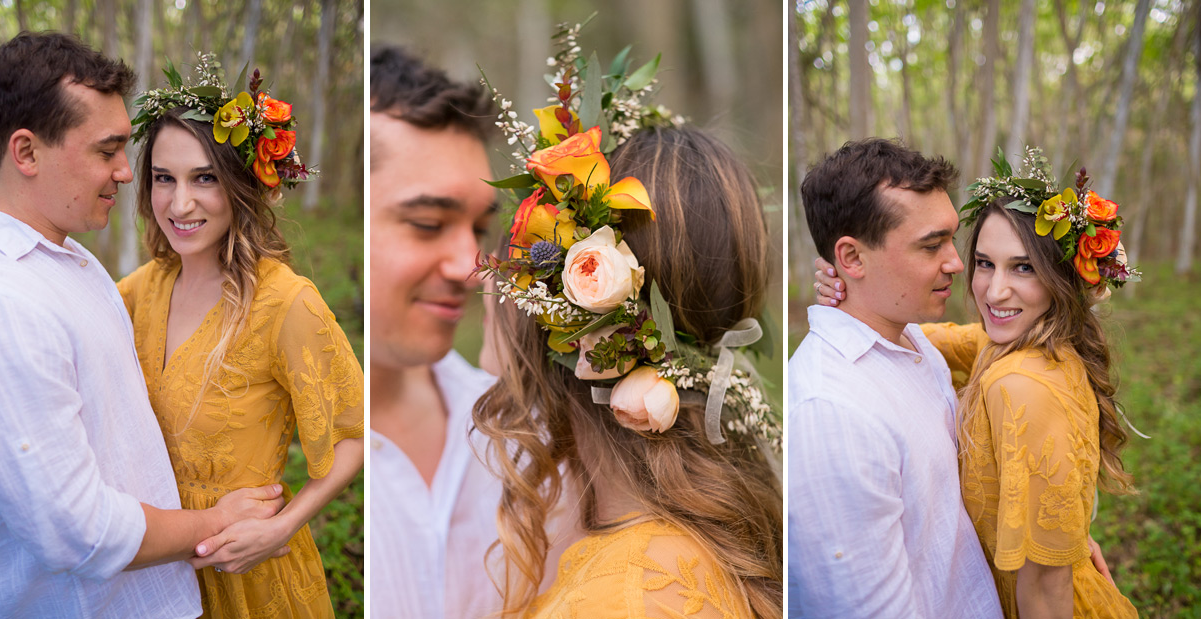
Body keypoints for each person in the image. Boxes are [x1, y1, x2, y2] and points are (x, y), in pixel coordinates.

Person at [0, 32, 284, 618]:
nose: (126, 174)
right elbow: (75, 530)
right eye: (106, 151)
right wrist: (215, 522)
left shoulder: (73, 262)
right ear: (26, 152)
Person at [472, 30, 784, 616]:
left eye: (514, 251)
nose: (485, 284)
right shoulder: (661, 538)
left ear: (569, 310)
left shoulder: (629, 595)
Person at [814, 148, 1138, 617]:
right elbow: (926, 338)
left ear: (1060, 277)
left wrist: (1063, 545)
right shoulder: (1011, 343)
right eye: (985, 262)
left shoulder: (1022, 383)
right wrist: (849, 289)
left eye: (1023, 267)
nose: (994, 290)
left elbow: (1046, 589)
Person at [117, 54, 364, 617]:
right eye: (164, 178)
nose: (180, 204)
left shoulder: (285, 303)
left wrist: (282, 526)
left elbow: (355, 432)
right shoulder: (136, 293)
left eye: (204, 178)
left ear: (241, 184)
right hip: (153, 560)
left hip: (245, 571)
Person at [368, 44, 585, 619]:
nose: (472, 264)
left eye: (481, 228)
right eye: (427, 224)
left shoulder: (527, 437)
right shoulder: (267, 439)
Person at [789, 138, 1003, 617]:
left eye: (951, 238)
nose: (955, 262)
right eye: (931, 245)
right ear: (853, 259)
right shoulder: (832, 415)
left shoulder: (910, 338)